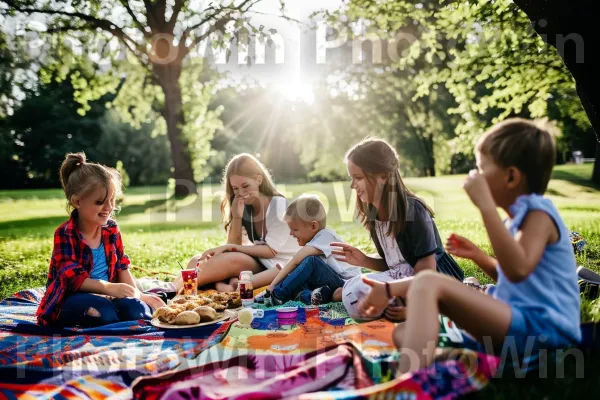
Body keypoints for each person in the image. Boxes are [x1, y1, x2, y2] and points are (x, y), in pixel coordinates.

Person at [359, 119, 581, 374]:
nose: (474, 176)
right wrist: (478, 257)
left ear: (511, 176)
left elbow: (518, 270)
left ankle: (412, 381)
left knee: (430, 282)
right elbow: (515, 279)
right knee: (404, 334)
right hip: (516, 323)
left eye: (481, 168)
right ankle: (459, 362)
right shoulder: (517, 219)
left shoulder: (539, 215)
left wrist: (486, 207)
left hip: (544, 330)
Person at [331, 138, 463, 321]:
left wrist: (414, 305)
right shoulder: (374, 214)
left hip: (433, 281)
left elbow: (427, 271)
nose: (353, 186)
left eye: (358, 178)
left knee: (362, 295)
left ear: (383, 176)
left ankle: (457, 295)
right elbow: (395, 264)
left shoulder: (413, 211)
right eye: (351, 178)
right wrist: (364, 260)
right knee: (357, 289)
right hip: (401, 280)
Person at [37, 152, 165, 327]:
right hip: (72, 298)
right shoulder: (65, 233)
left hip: (110, 295)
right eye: (100, 202)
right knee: (104, 314)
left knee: (137, 310)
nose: (109, 207)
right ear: (77, 201)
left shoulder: (111, 229)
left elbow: (121, 266)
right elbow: (72, 279)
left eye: (112, 200)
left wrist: (140, 295)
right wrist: (108, 288)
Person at [177, 153, 300, 292]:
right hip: (260, 261)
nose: (241, 192)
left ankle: (172, 288)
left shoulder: (278, 205)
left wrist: (230, 248)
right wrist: (236, 217)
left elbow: (270, 251)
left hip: (279, 265)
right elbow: (233, 244)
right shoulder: (244, 206)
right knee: (197, 260)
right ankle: (219, 286)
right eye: (235, 188)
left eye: (245, 185)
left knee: (229, 260)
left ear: (259, 180)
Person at [266, 195, 361, 305]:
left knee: (310, 262)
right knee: (297, 280)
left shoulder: (326, 236)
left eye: (295, 229)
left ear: (313, 226)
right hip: (330, 283)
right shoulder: (315, 241)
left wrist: (272, 287)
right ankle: (313, 296)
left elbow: (295, 261)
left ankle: (277, 295)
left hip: (345, 284)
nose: (291, 233)